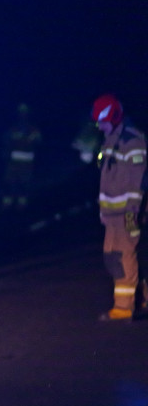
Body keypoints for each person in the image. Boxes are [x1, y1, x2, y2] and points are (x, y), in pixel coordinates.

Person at [91, 94, 146, 320]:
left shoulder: (132, 141)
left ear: (114, 117)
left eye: (102, 122)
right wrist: (103, 210)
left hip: (127, 212)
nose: (99, 127)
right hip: (112, 213)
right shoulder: (110, 139)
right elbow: (107, 175)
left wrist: (133, 212)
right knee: (113, 257)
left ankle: (124, 308)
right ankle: (139, 299)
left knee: (123, 257)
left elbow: (138, 179)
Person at [1, 103, 42, 211]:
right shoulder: (13, 129)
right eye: (21, 112)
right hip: (14, 160)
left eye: (24, 112)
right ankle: (7, 201)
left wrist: (32, 137)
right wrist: (6, 154)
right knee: (9, 181)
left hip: (27, 160)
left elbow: (39, 142)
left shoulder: (34, 129)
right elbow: (6, 142)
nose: (23, 115)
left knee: (24, 182)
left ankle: (22, 202)